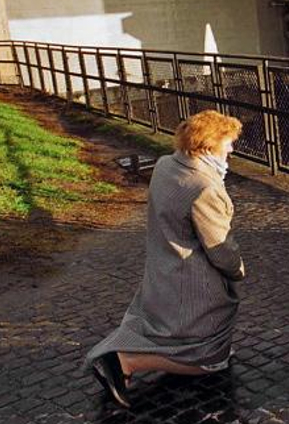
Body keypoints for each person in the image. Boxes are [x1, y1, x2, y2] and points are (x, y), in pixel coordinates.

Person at [86, 110, 245, 408]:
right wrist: (237, 271)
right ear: (208, 146)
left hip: (163, 269)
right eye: (228, 142)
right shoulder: (205, 187)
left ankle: (126, 354)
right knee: (213, 361)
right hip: (192, 280)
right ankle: (126, 361)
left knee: (165, 327)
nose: (232, 149)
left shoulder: (165, 164)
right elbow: (220, 249)